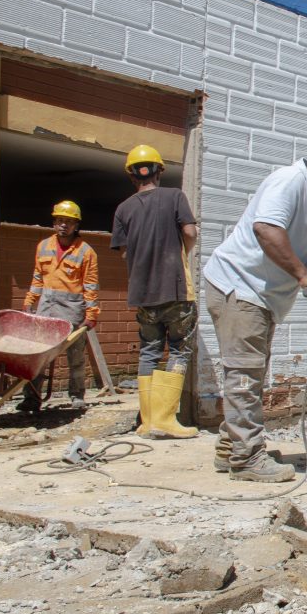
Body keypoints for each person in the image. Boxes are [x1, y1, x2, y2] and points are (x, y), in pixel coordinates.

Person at [202, 141, 307, 483]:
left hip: (261, 295)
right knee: (244, 375)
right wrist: (302, 274)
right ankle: (247, 459)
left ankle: (231, 449)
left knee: (250, 374)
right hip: (238, 286)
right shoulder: (288, 181)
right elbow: (266, 229)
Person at [111, 143, 199, 440]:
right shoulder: (174, 196)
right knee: (178, 349)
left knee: (149, 351)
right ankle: (165, 419)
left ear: (132, 176)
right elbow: (189, 232)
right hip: (174, 290)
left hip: (143, 293)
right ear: (159, 171)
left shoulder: (123, 209)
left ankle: (148, 421)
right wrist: (181, 254)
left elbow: (124, 251)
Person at [20, 200, 99, 411]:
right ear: (54, 223)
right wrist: (29, 302)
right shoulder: (43, 246)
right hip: (46, 308)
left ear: (76, 225)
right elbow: (37, 278)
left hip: (73, 310)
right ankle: (32, 397)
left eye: (69, 222)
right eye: (60, 220)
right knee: (39, 354)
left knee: (75, 356)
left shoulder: (86, 251)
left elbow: (90, 286)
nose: (64, 225)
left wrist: (91, 314)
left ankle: (77, 396)